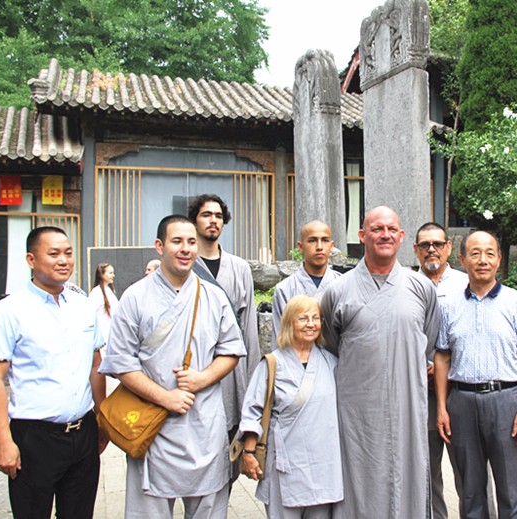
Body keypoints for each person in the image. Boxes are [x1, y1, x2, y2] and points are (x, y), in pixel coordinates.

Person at [99, 215, 245, 518]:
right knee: (150, 507)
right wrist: (165, 397)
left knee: (208, 505)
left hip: (203, 420)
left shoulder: (213, 296)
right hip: (153, 422)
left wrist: (201, 379)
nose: (186, 248)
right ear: (159, 246)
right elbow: (120, 363)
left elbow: (232, 351)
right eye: (177, 241)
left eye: (191, 242)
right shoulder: (135, 297)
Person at [321, 206, 439, 518]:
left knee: (408, 472)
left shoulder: (422, 289)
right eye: (376, 229)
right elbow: (332, 344)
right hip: (357, 409)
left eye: (391, 229)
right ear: (362, 236)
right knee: (358, 476)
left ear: (401, 237)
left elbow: (426, 340)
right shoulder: (337, 291)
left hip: (408, 405)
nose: (384, 234)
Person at [0, 226, 106, 519]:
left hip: (84, 431)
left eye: (68, 253)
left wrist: (102, 418)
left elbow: (95, 363)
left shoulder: (83, 305)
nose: (64, 260)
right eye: (54, 254)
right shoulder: (8, 311)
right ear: (31, 260)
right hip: (34, 438)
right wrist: (3, 441)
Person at [435, 231, 517, 519]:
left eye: (489, 253)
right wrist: (443, 407)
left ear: (498, 258)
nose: (483, 260)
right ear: (462, 259)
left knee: (510, 490)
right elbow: (442, 356)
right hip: (462, 402)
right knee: (470, 491)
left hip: (506, 401)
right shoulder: (448, 305)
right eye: (475, 253)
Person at [239, 295, 343, 518]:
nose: (311, 324)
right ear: (289, 323)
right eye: (303, 318)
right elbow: (253, 411)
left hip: (323, 464)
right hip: (285, 466)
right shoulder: (272, 364)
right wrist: (249, 452)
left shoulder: (330, 362)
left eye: (316, 318)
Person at [188, 194, 260, 454]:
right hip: (196, 364)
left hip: (232, 365)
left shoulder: (239, 267)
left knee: (230, 442)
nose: (213, 221)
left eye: (218, 216)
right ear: (194, 221)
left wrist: (254, 380)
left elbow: (249, 326)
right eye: (206, 215)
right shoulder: (186, 264)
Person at [412, 222, 468, 519]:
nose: (431, 249)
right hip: (422, 393)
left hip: (460, 392)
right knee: (427, 472)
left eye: (437, 244)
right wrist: (422, 367)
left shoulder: (466, 284)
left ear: (449, 247)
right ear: (416, 250)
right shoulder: (406, 286)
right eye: (424, 245)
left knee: (470, 473)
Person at [271, 220, 341, 348]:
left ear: (331, 246)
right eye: (312, 240)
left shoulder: (343, 284)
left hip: (336, 364)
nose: (319, 246)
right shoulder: (285, 289)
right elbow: (280, 339)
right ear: (300, 246)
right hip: (296, 364)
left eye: (325, 240)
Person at [89, 262, 119, 346]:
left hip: (111, 333)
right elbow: (90, 314)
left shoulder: (110, 291)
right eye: (110, 273)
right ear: (102, 275)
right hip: (102, 334)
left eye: (113, 273)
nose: (113, 275)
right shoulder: (96, 293)